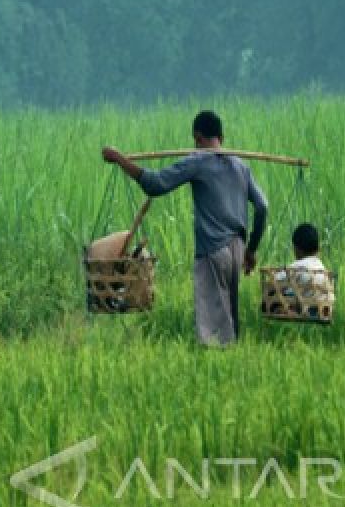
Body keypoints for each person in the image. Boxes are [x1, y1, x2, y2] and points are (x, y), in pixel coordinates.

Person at [101, 110, 267, 346]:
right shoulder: (241, 165)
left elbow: (155, 185)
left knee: (213, 331)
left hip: (213, 249)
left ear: (198, 137)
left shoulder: (197, 162)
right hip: (237, 249)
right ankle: (233, 362)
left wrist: (119, 159)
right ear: (221, 136)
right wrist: (250, 250)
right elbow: (262, 206)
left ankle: (219, 367)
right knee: (228, 316)